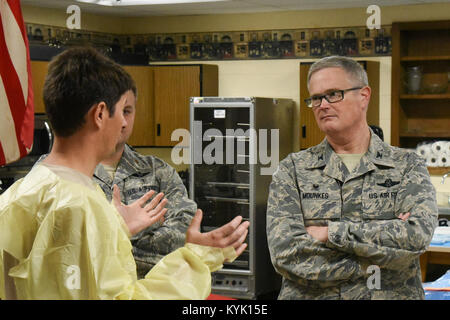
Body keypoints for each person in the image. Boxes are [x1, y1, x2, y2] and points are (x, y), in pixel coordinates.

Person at [0, 46, 249, 300]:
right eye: (121, 111)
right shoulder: (84, 206)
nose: (123, 123)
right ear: (99, 114)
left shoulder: (20, 193)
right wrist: (196, 258)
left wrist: (116, 227)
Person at [266, 55, 438, 300]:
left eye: (334, 94)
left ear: (364, 96)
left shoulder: (406, 166)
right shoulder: (292, 170)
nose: (323, 104)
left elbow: (415, 238)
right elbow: (287, 255)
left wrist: (330, 234)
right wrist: (375, 265)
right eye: (316, 98)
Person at [93, 88, 195, 279]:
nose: (122, 121)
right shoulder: (66, 172)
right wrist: (134, 232)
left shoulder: (159, 172)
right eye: (114, 111)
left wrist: (119, 238)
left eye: (128, 111)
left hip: (152, 291)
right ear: (97, 114)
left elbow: (183, 233)